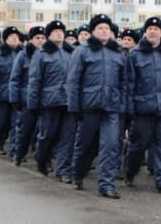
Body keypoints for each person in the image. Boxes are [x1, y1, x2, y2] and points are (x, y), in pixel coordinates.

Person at [68, 14, 127, 199]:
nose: (104, 31)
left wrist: (122, 105)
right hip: (89, 106)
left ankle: (106, 185)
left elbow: (124, 82)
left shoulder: (118, 52)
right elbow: (73, 80)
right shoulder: (83, 51)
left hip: (111, 107)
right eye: (100, 28)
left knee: (110, 146)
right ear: (93, 31)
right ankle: (78, 174)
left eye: (107, 28)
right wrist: (74, 107)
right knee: (85, 145)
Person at [124, 17, 161, 195]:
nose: (153, 32)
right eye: (150, 29)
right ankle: (130, 172)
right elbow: (129, 84)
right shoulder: (135, 55)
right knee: (139, 145)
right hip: (143, 109)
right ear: (145, 32)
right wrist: (130, 108)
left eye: (156, 28)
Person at [28, 20, 76, 180]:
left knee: (68, 137)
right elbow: (34, 80)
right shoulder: (41, 54)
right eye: (55, 31)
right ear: (49, 35)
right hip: (49, 102)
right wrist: (33, 103)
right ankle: (42, 159)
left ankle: (63, 170)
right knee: (47, 135)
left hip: (69, 102)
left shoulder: (72, 52)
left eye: (61, 31)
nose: (59, 33)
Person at [10, 26, 46, 166]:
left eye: (43, 38)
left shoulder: (48, 54)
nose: (40, 41)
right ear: (30, 40)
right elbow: (15, 79)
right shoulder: (23, 56)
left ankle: (43, 160)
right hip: (27, 99)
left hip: (45, 99)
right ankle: (19, 154)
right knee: (25, 130)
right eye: (37, 38)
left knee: (44, 132)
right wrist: (15, 99)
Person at [0, 26, 22, 157]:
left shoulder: (22, 53)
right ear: (5, 39)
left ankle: (14, 151)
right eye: (11, 37)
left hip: (18, 96)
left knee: (16, 124)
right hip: (2, 95)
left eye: (16, 37)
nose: (14, 39)